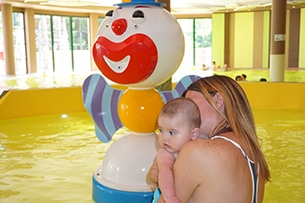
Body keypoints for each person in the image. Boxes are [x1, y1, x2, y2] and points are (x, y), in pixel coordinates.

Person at [151, 75, 270, 203]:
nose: (184, 112)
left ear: (218, 100)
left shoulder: (198, 151)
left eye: (190, 103)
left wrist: (163, 178)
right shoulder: (255, 156)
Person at [151, 97, 203, 203]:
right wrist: (169, 196)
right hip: (166, 196)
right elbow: (165, 172)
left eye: (172, 132)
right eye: (160, 130)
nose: (164, 137)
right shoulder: (166, 153)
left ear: (194, 134)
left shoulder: (200, 147)